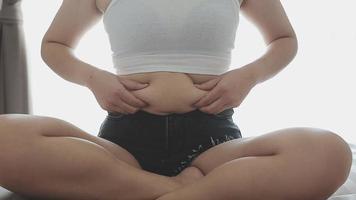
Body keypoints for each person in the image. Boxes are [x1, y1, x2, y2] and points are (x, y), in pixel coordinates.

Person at [0, 0, 352, 199]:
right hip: (123, 146)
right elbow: (55, 45)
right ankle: (181, 192)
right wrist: (95, 80)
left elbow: (283, 38)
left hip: (214, 145)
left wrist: (249, 76)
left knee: (331, 151)